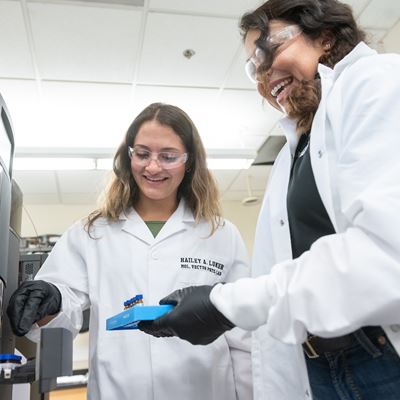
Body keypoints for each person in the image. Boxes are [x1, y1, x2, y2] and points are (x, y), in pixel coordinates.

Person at [138, 1, 400, 399]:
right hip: (317, 364)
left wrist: (222, 304)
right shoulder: (292, 154)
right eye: (253, 68)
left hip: (379, 358)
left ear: (324, 35)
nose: (262, 76)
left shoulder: (377, 82)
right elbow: (278, 277)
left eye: (267, 52)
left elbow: (385, 254)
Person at [6, 103, 253, 400]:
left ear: (189, 162)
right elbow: (64, 307)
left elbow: (244, 335)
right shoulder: (92, 232)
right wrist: (51, 299)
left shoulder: (220, 234)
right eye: (143, 153)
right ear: (129, 156)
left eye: (168, 156)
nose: (152, 167)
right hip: (118, 391)